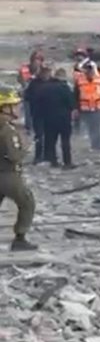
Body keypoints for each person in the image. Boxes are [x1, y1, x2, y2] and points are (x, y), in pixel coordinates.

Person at [0, 85, 37, 251]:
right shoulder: (8, 130)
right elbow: (14, 155)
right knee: (27, 202)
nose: (17, 108)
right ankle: (20, 238)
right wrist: (25, 149)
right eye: (13, 105)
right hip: (7, 174)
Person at [36, 69, 75, 169]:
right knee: (65, 141)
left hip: (48, 119)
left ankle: (53, 161)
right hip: (64, 119)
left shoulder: (44, 88)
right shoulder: (65, 88)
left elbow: (39, 103)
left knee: (51, 141)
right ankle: (67, 162)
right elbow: (71, 103)